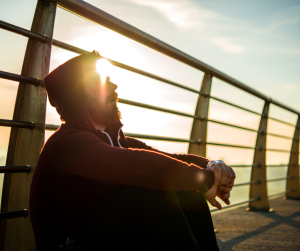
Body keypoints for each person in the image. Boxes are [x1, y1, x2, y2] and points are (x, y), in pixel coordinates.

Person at [30, 51, 235, 251]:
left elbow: (171, 160)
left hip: (113, 239)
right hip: (73, 244)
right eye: (99, 81)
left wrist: (212, 167)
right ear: (77, 94)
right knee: (147, 186)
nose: (113, 86)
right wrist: (204, 179)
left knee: (183, 184)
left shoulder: (119, 141)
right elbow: (139, 166)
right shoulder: (67, 143)